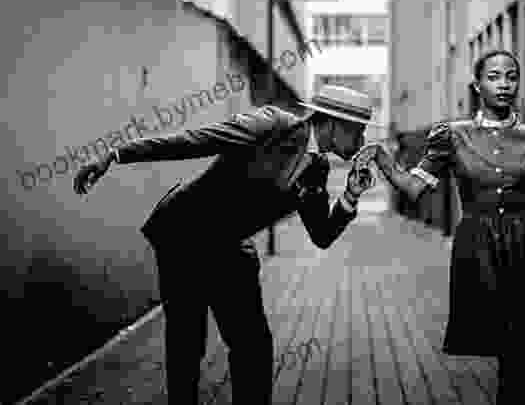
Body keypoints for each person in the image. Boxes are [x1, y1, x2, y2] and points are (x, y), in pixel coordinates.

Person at [73, 84, 382, 404]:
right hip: (185, 233)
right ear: (331, 123)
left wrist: (351, 195)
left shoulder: (318, 169)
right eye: (357, 132)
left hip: (229, 245)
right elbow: (194, 141)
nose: (361, 142)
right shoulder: (274, 126)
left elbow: (322, 234)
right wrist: (116, 154)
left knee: (253, 345)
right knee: (188, 341)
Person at [356, 49, 525, 404]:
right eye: (494, 77)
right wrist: (383, 159)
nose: (504, 84)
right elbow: (413, 189)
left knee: (517, 350)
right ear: (477, 85)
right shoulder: (453, 136)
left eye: (511, 76)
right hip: (480, 248)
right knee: (510, 350)